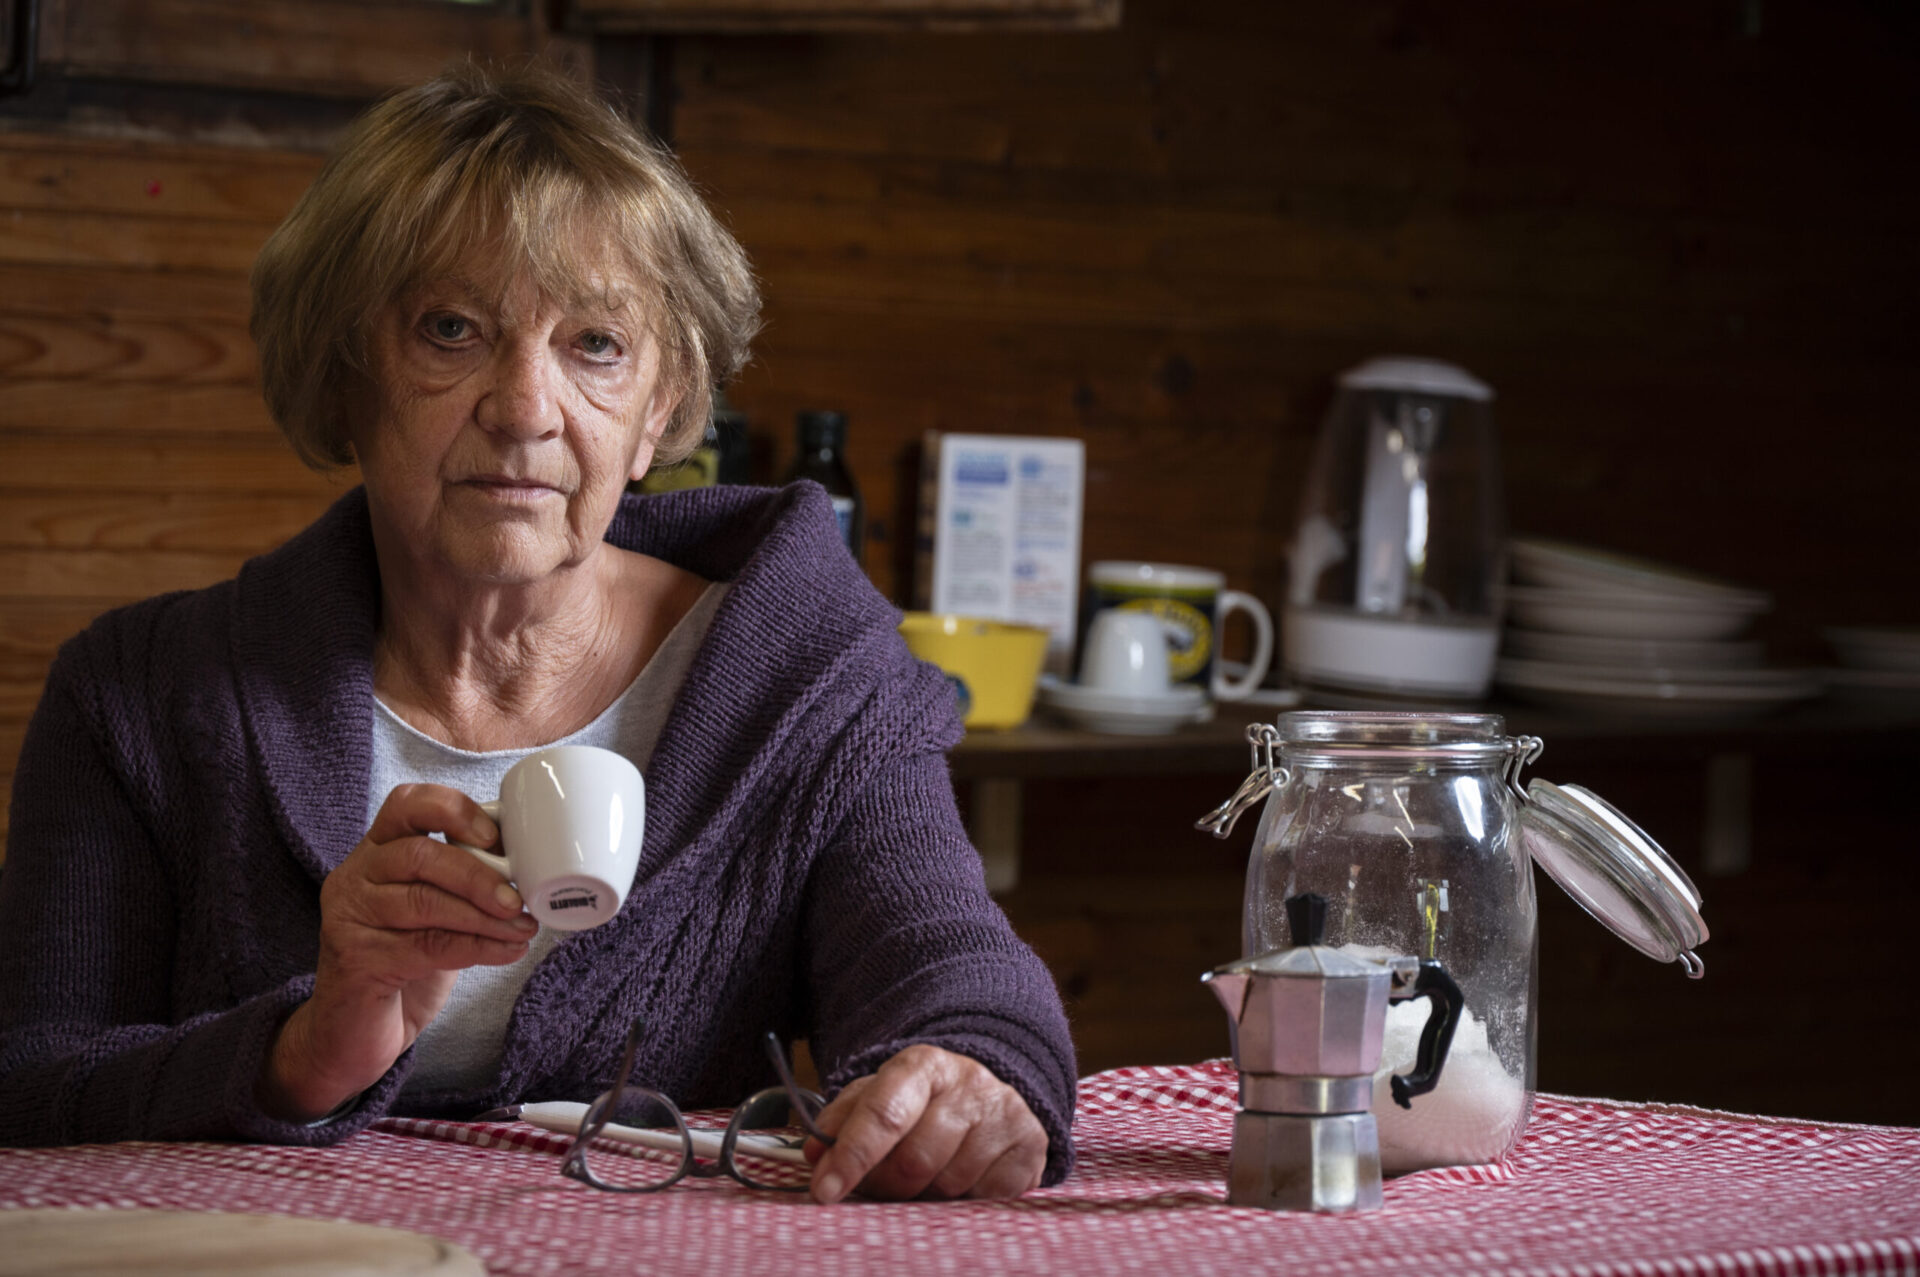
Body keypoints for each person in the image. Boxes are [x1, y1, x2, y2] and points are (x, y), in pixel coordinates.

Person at [0, 63, 1075, 1202]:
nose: (524, 409)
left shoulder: (808, 677)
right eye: (451, 329)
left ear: (663, 408)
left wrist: (971, 1074)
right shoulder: (138, 695)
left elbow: (956, 979)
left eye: (596, 344)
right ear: (345, 371)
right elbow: (26, 1081)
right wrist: (305, 1049)